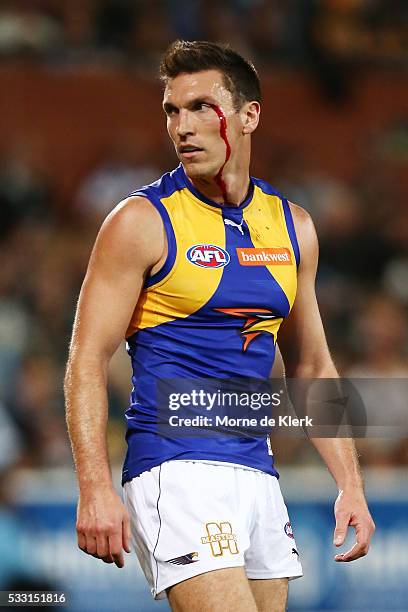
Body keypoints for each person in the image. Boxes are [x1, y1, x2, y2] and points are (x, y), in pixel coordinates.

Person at [64, 40, 375, 612]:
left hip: (256, 469)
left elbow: (311, 365)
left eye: (202, 107)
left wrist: (350, 484)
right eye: (172, 111)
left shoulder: (291, 227)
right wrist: (93, 485)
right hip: (174, 466)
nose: (183, 126)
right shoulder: (141, 221)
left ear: (248, 115)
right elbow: (85, 357)